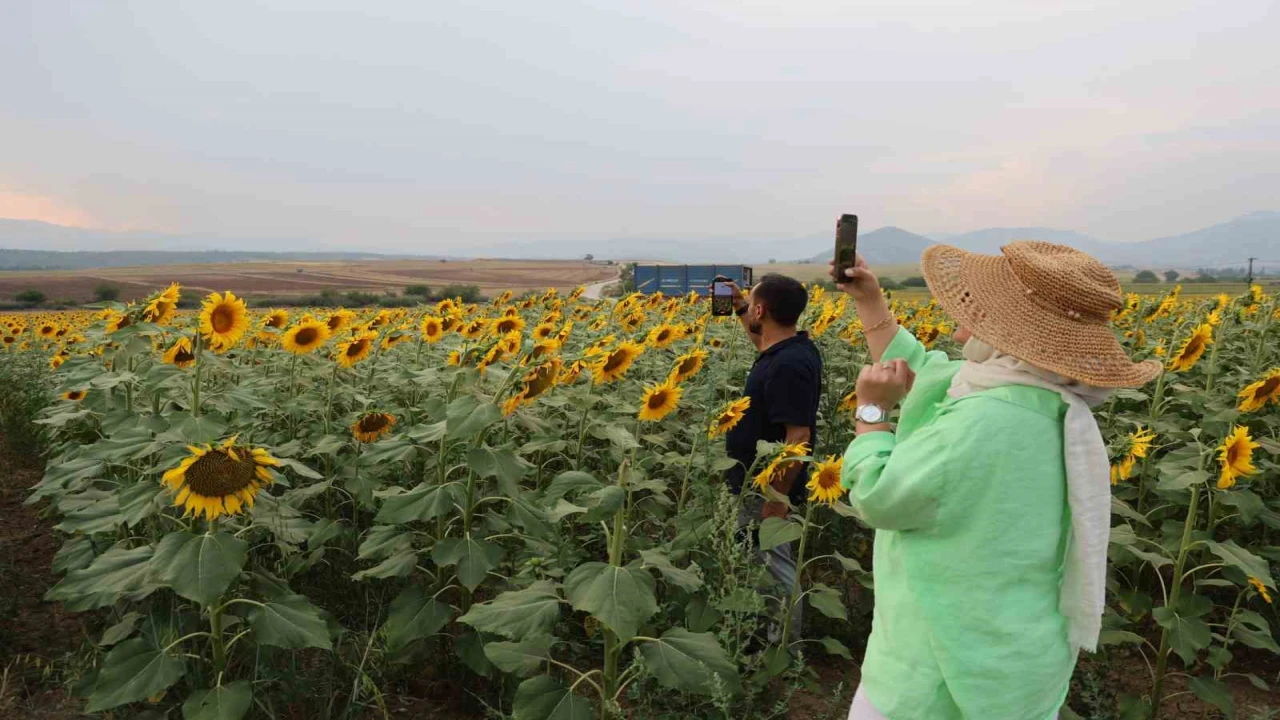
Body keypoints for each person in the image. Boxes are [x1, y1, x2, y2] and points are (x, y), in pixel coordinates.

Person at [834, 242, 1159, 720]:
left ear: (1009, 331)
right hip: (1013, 659)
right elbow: (926, 375)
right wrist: (869, 300)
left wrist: (872, 413)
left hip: (937, 666)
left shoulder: (983, 420)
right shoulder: (1045, 400)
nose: (960, 315)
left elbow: (879, 496)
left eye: (978, 306)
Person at [720, 273, 823, 642]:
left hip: (767, 488)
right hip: (757, 482)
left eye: (752, 304)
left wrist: (776, 501)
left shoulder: (788, 365)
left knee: (775, 565)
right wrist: (738, 307)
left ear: (762, 309)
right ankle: (761, 635)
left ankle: (784, 651)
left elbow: (798, 436)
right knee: (758, 562)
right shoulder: (788, 349)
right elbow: (761, 339)